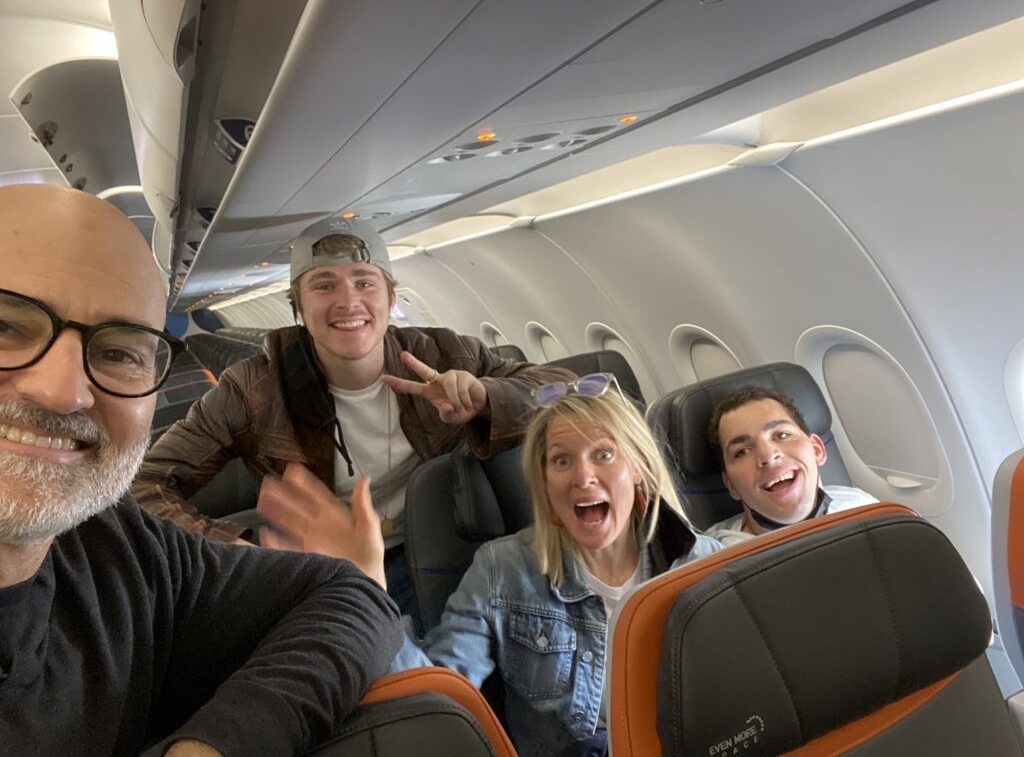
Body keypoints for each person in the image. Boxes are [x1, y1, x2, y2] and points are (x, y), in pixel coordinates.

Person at [0, 184, 402, 756]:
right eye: (4, 327)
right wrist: (245, 541)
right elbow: (151, 481)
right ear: (295, 305)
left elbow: (355, 596)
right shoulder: (252, 385)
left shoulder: (117, 548)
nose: (62, 391)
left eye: (117, 351)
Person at [131, 215, 571, 628]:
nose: (348, 301)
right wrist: (235, 549)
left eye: (365, 282)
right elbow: (142, 486)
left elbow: (563, 387)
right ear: (298, 308)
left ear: (391, 298)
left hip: (434, 548)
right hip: (324, 572)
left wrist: (485, 397)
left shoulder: (446, 353)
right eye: (324, 285)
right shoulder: (253, 388)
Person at [361, 373, 722, 757]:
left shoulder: (702, 563)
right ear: (545, 483)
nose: (583, 477)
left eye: (603, 454)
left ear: (637, 468)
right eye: (561, 460)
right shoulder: (503, 570)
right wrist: (368, 583)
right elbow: (438, 696)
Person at [704, 385, 878, 546]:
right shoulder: (710, 561)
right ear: (731, 485)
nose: (768, 456)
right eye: (742, 451)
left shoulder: (866, 509)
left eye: (781, 435)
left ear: (817, 450)